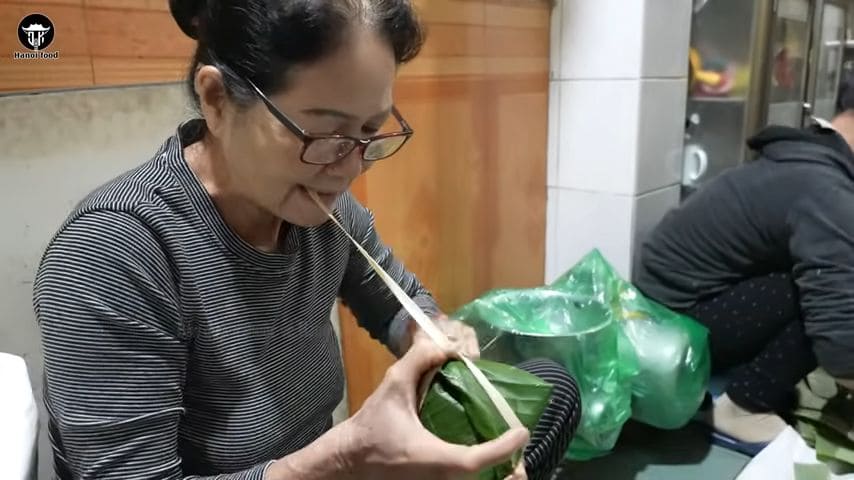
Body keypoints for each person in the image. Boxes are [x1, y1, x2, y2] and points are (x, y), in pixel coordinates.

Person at [32, 1, 532, 478]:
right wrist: (344, 460)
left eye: (370, 132)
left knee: (553, 390)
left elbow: (398, 305)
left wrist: (431, 334)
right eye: (324, 136)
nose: (350, 168)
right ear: (217, 99)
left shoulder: (322, 211)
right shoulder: (113, 253)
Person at [635, 75, 854, 449]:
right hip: (671, 326)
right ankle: (743, 407)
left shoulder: (810, 158)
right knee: (823, 295)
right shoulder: (826, 189)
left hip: (667, 304)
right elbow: (837, 335)